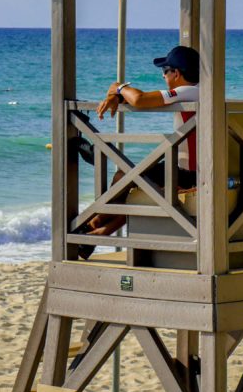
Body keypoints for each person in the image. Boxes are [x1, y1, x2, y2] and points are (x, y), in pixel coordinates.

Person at [76, 45, 199, 259]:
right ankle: (96, 232)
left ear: (176, 73)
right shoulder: (197, 91)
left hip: (191, 175)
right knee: (139, 186)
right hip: (192, 170)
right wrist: (115, 95)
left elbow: (140, 100)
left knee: (124, 177)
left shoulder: (188, 92)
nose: (163, 75)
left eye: (165, 71)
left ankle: (89, 226)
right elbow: (139, 99)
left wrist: (119, 87)